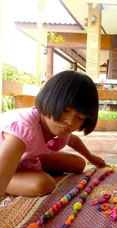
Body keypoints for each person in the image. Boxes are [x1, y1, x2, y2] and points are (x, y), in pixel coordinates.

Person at [0, 70, 105, 198]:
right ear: (47, 99)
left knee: (79, 164)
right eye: (65, 110)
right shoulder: (24, 129)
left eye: (80, 117)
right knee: (43, 184)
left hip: (24, 158)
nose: (70, 122)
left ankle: (29, 170)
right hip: (5, 162)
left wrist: (91, 157)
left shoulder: (60, 128)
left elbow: (73, 140)